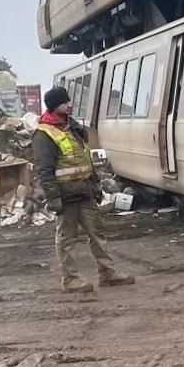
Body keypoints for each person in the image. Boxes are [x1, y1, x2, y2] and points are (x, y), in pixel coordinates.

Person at [33, 86, 134, 293]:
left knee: (98, 233)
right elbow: (45, 171)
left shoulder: (73, 128)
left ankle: (107, 273)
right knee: (66, 239)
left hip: (85, 191)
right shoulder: (44, 135)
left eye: (68, 101)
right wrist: (53, 199)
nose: (69, 105)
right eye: (64, 102)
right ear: (54, 106)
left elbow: (84, 160)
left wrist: (95, 186)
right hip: (65, 195)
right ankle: (70, 279)